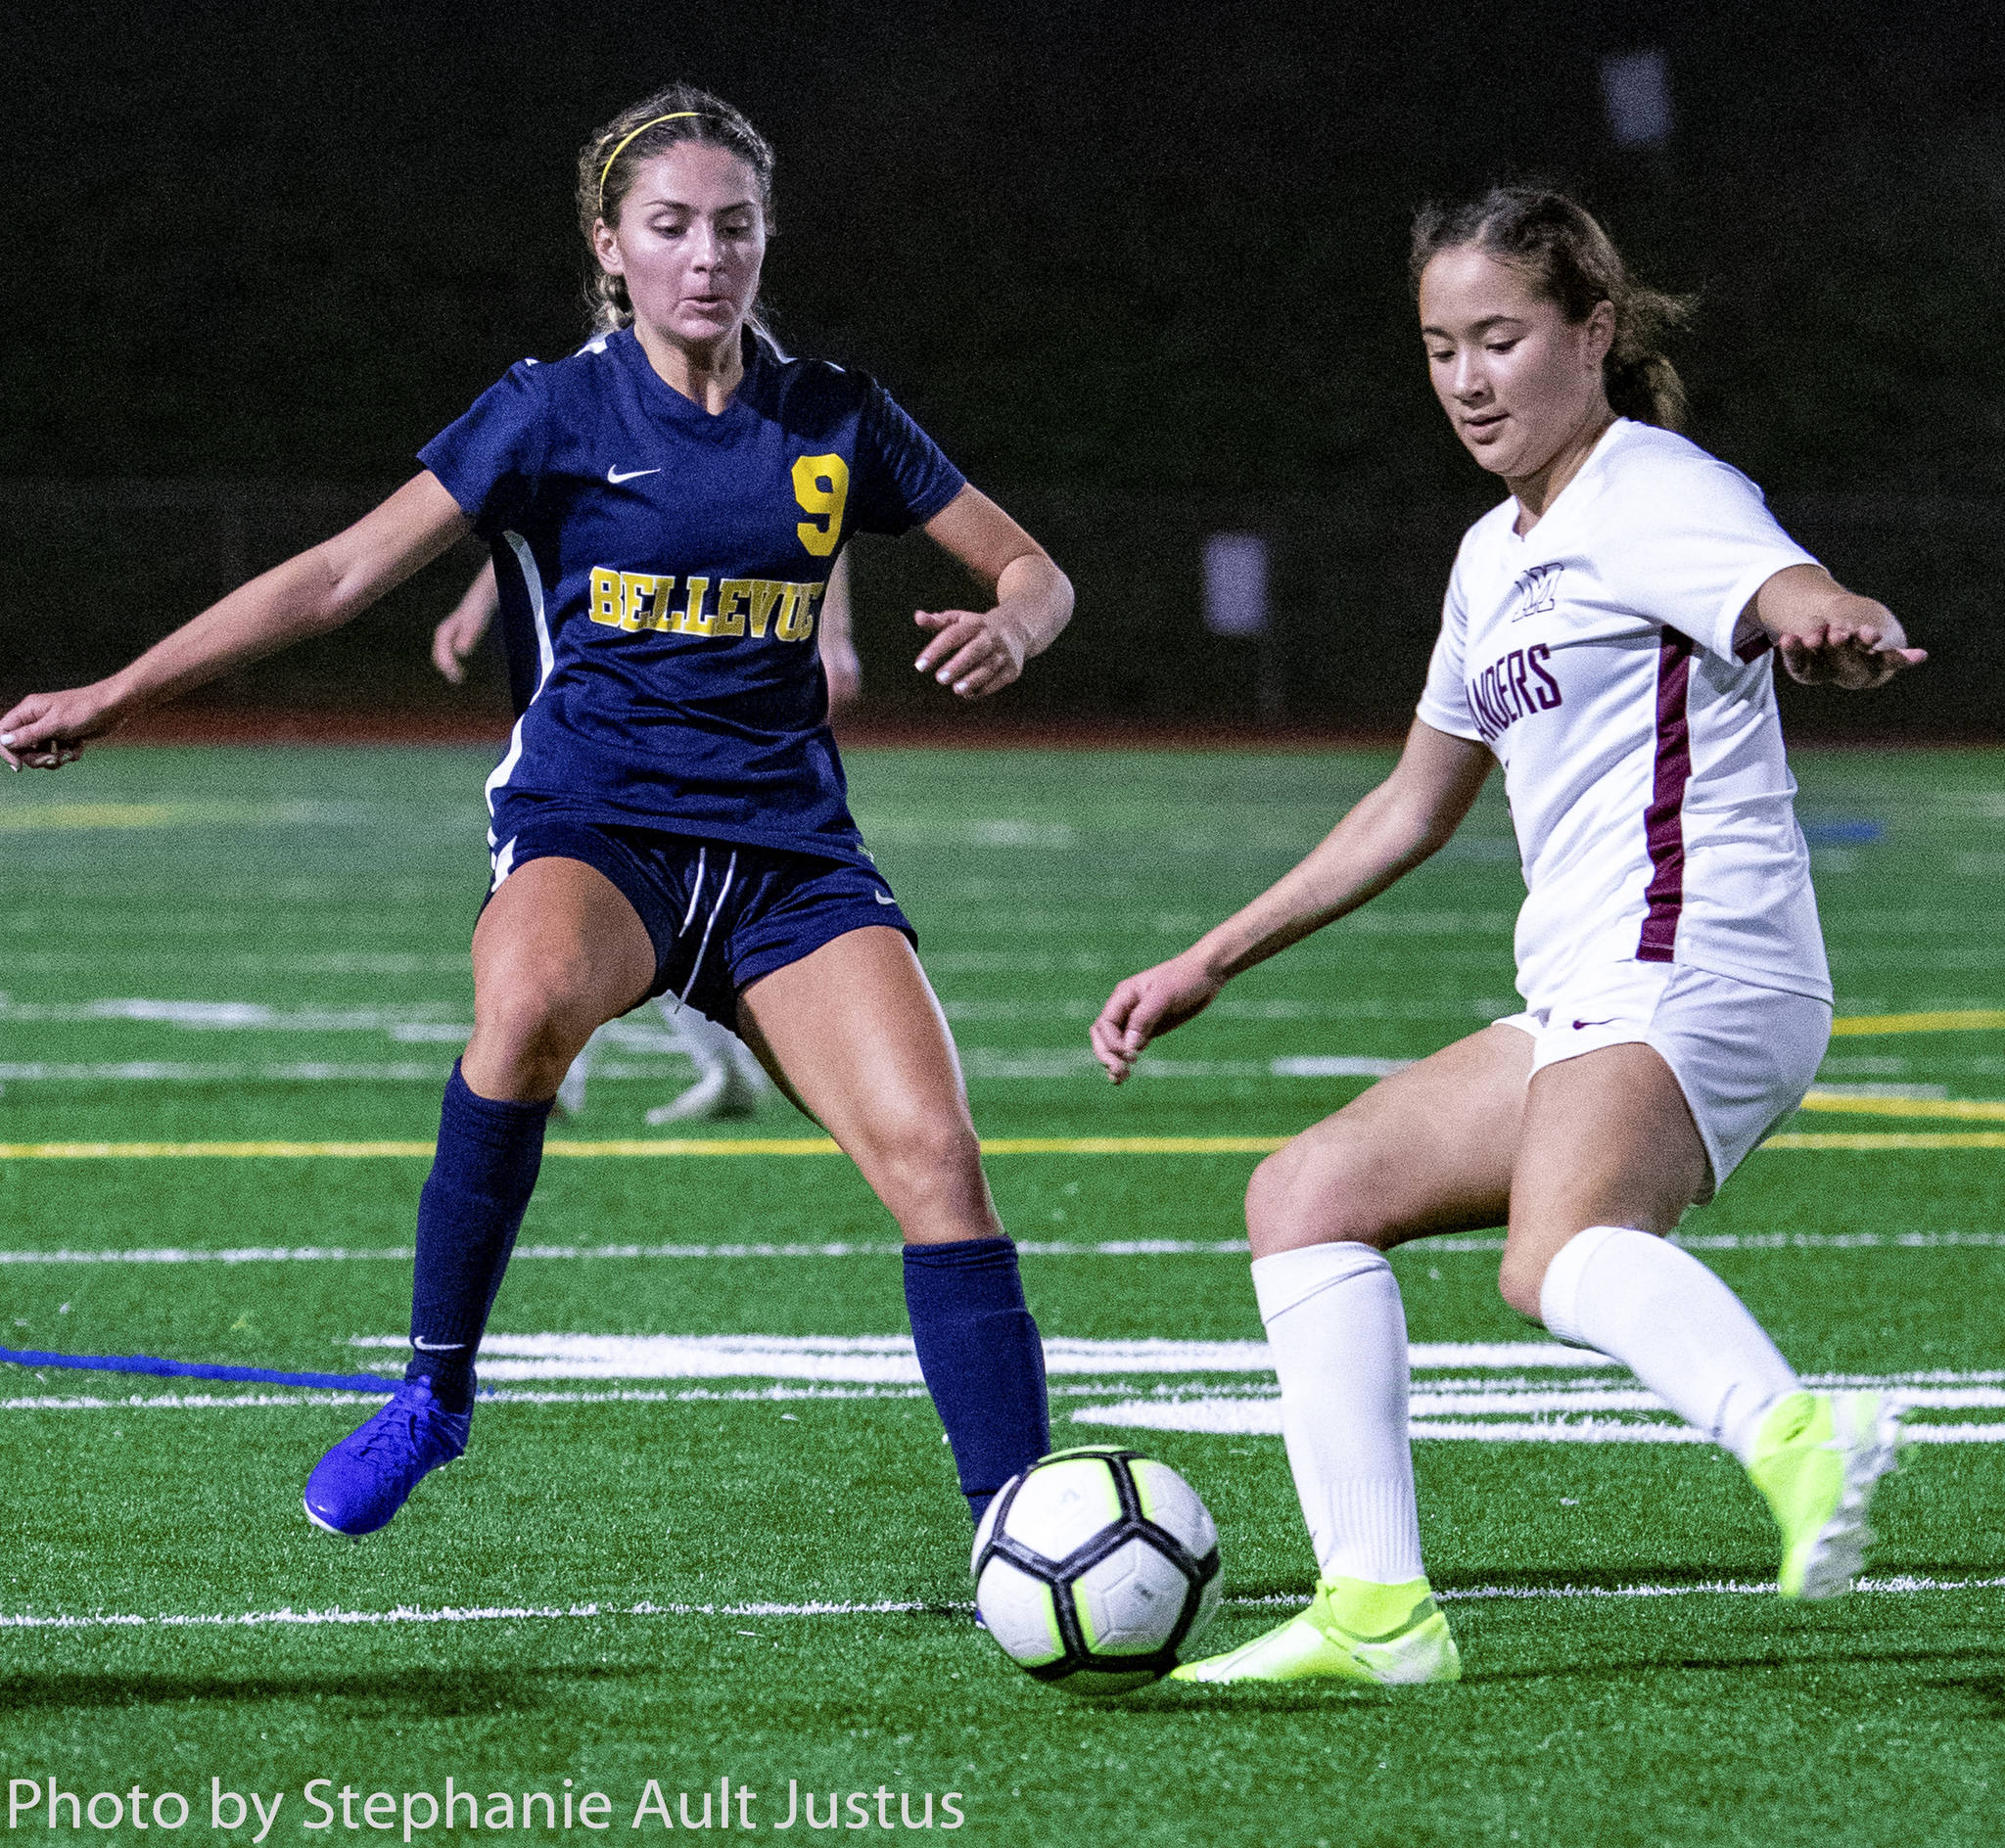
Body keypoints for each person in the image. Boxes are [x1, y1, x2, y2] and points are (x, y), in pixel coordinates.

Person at [1, 84, 1074, 1546]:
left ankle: (1023, 1525)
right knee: (523, 1009)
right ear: (611, 246)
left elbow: (1035, 567)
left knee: (938, 1161)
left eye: (736, 228)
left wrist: (1017, 625)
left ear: (768, 244)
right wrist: (122, 690)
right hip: (599, 825)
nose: (708, 257)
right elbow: (332, 577)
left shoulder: (836, 417)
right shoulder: (551, 409)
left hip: (792, 863)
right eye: (672, 227)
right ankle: (433, 1397)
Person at [1091, 187, 1923, 1689]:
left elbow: (1788, 589)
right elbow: (1413, 804)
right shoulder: (1495, 556)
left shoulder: (1650, 488)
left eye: (1502, 338)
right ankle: (1377, 1613)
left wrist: (1833, 623)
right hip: (1592, 986)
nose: (1469, 380)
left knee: (1560, 1257)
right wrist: (1208, 959)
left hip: (1701, 957)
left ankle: (1797, 1431)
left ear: (1593, 332)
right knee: (1308, 1195)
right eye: (1439, 347)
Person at [431, 545, 863, 1122]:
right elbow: (547, 505)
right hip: (607, 708)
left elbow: (813, 506)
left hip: (706, 707)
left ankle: (566, 1071)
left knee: (645, 892)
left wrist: (833, 632)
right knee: (595, 891)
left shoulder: (766, 462)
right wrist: (479, 601)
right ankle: (574, 1069)